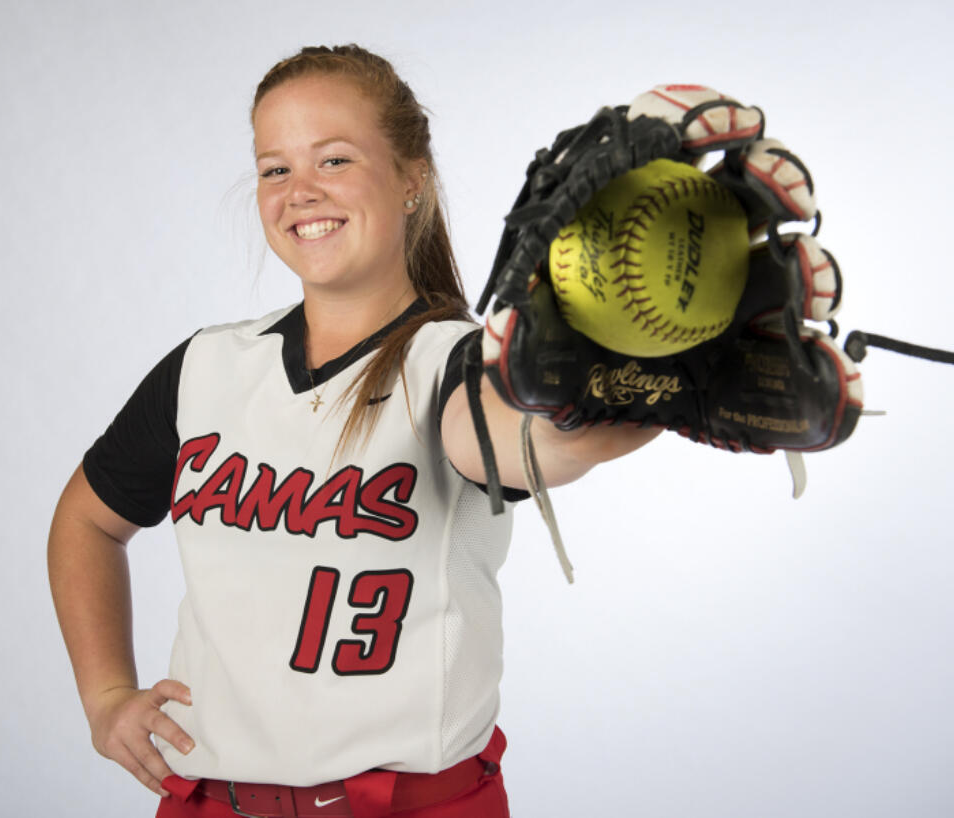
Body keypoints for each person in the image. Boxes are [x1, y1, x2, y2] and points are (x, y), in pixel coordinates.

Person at [48, 44, 659, 818]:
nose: (299, 191)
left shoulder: (460, 364)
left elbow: (532, 443)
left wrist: (633, 391)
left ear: (413, 179)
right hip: (208, 803)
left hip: (406, 806)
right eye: (275, 168)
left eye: (333, 159)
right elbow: (86, 521)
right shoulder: (207, 366)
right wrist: (106, 696)